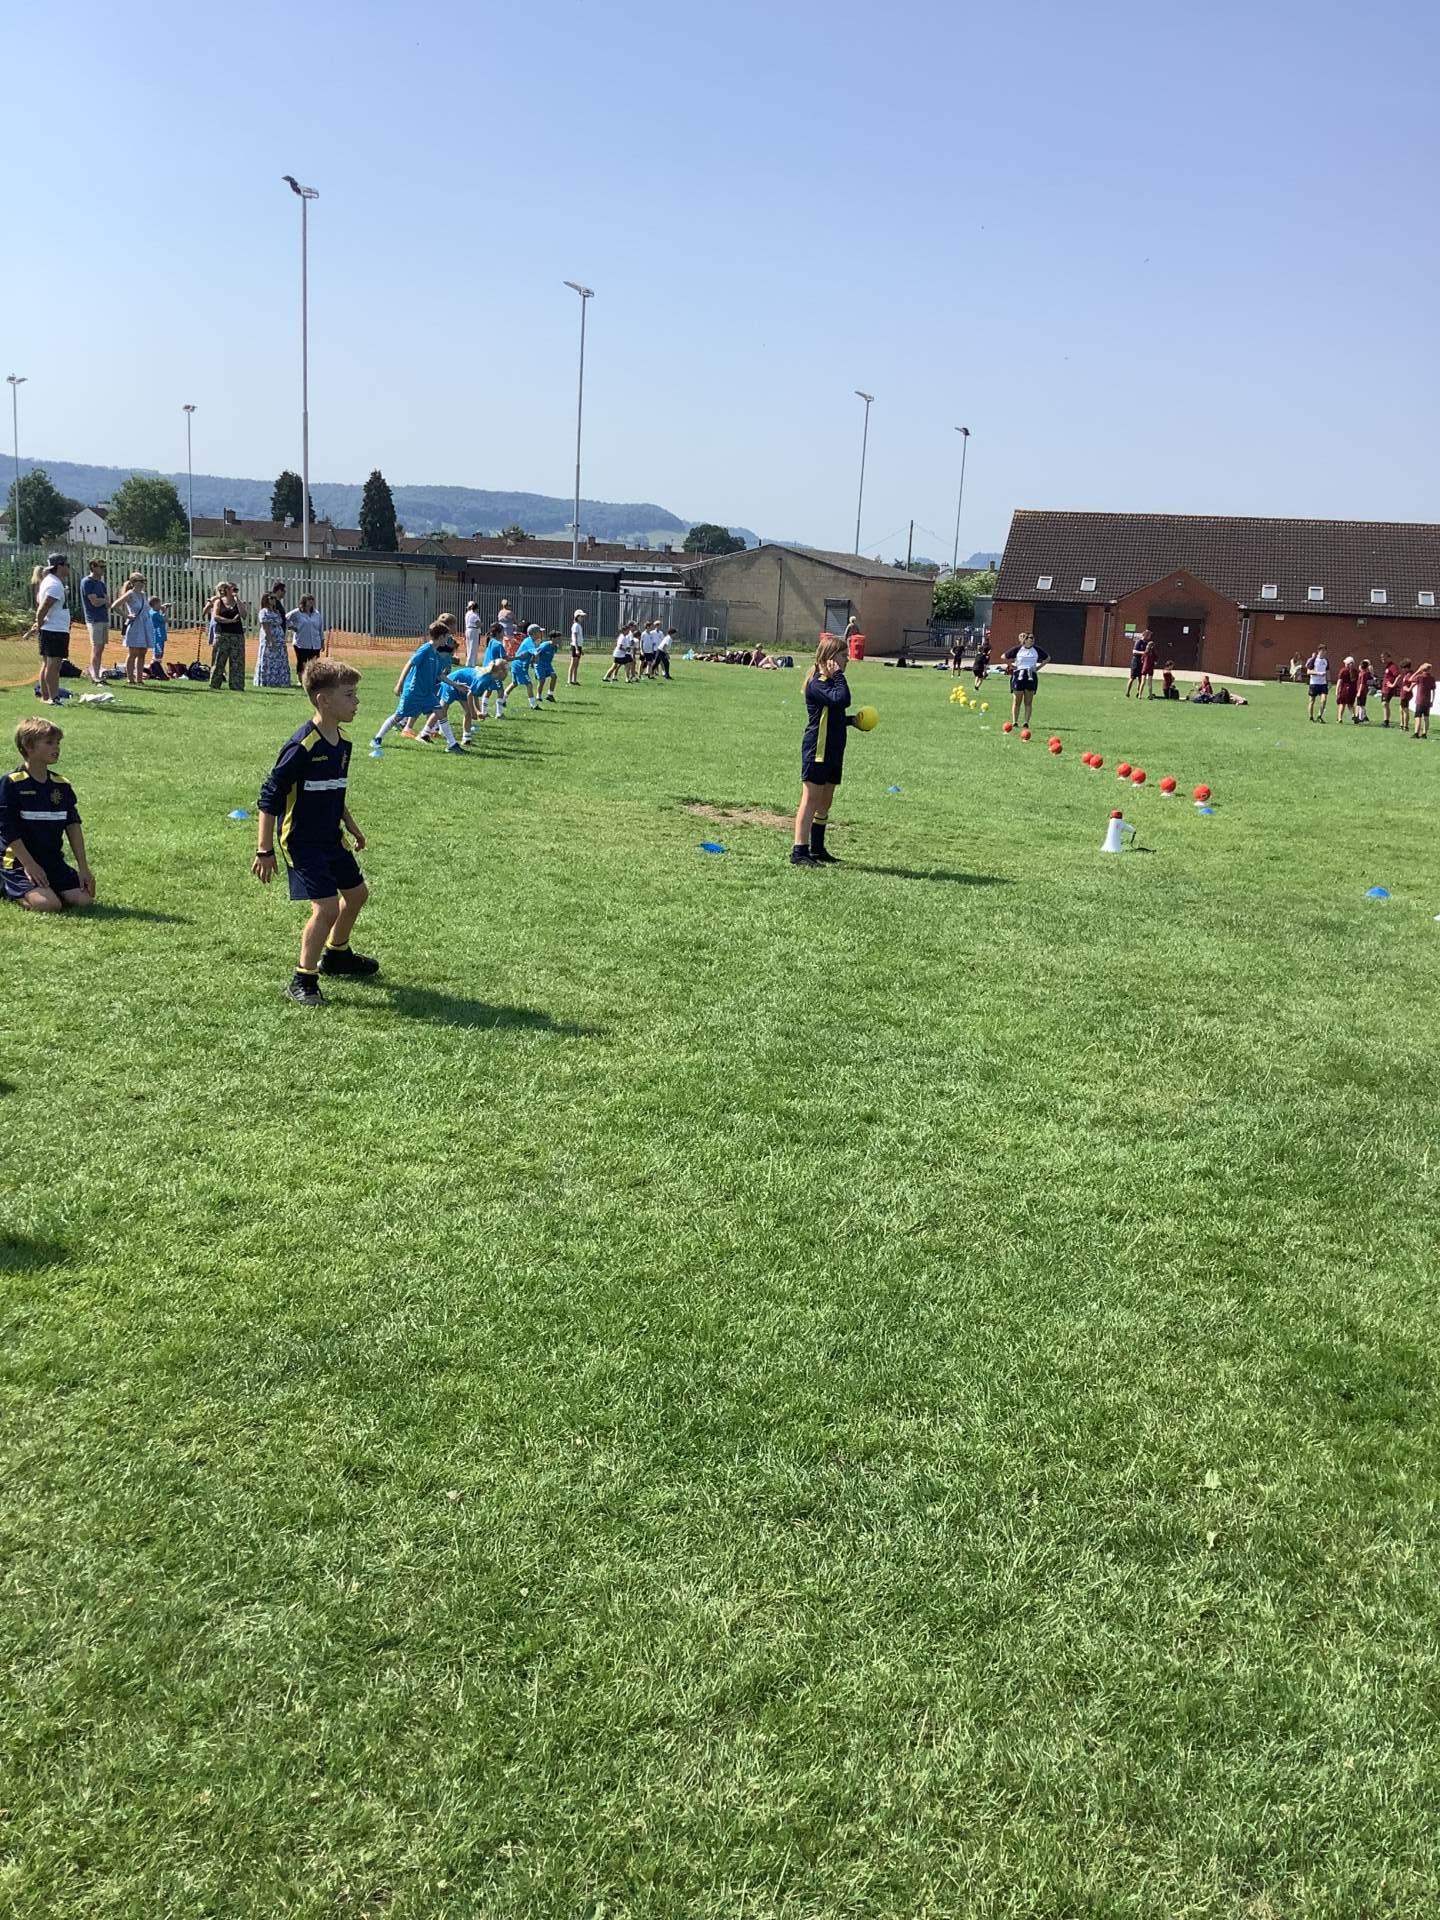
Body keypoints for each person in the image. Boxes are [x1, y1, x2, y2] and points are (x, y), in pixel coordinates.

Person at [253, 657, 376, 1007]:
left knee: (357, 895)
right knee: (326, 908)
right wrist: (264, 849)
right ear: (324, 700)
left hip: (331, 836)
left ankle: (337, 955)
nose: (357, 701)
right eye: (349, 695)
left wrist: (350, 824)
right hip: (302, 840)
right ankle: (303, 979)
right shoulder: (302, 745)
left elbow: (334, 790)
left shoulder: (343, 742)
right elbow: (270, 796)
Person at [1, 716, 95, 912]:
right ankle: (5, 884)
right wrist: (29, 864)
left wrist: (83, 868)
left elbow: (73, 826)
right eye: (49, 742)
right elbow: (7, 829)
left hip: (52, 861)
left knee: (84, 900)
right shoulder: (12, 783)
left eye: (58, 742)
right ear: (29, 747)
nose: (56, 747)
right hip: (19, 861)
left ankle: (46, 888)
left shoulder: (61, 785)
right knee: (48, 905)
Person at [792, 632, 860, 867]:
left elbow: (833, 714)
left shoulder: (830, 683)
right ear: (829, 658)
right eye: (843, 655)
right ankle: (799, 851)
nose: (847, 659)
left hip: (833, 749)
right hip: (817, 750)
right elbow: (842, 699)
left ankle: (817, 848)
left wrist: (851, 721)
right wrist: (839, 675)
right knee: (810, 799)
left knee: (825, 801)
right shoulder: (818, 683)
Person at [369, 622, 463, 752]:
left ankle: (452, 744)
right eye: (446, 637)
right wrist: (399, 684)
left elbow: (439, 675)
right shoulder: (425, 649)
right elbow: (409, 664)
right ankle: (377, 738)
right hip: (414, 692)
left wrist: (455, 685)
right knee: (398, 716)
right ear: (441, 636)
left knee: (440, 713)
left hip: (427, 693)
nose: (447, 640)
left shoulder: (435, 653)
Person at [29, 554, 73, 705]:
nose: (69, 568)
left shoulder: (50, 581)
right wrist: (39, 623)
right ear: (59, 566)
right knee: (54, 666)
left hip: (53, 629)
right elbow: (44, 607)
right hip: (54, 630)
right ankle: (53, 698)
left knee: (48, 664)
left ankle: (46, 696)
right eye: (67, 565)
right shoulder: (54, 584)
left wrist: (40, 624)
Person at [113, 572, 153, 688]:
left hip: (144, 626)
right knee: (133, 653)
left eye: (144, 581)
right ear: (133, 582)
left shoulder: (143, 594)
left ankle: (139, 679)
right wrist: (127, 616)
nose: (143, 583)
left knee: (142, 653)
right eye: (140, 581)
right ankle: (130, 679)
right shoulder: (130, 594)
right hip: (135, 626)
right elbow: (115, 606)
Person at [1003, 631, 1048, 728]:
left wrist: (1038, 667)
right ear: (1025, 639)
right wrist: (1012, 666)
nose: (1033, 640)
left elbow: (1047, 658)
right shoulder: (1018, 649)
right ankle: (1015, 721)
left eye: (1033, 638)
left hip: (1031, 676)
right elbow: (1003, 657)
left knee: (1028, 701)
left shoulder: (1037, 649)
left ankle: (1026, 722)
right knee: (1017, 701)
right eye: (1030, 638)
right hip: (1019, 676)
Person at [209, 581, 247, 691]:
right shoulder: (219, 601)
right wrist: (229, 621)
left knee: (237, 662)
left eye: (236, 590)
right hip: (222, 635)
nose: (235, 591)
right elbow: (216, 616)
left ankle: (237, 685)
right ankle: (215, 684)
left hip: (237, 636)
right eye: (233, 589)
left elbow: (244, 615)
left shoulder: (238, 603)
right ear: (226, 590)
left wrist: (237, 601)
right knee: (218, 661)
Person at [79, 558, 111, 683]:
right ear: (93, 566)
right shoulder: (87, 582)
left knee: (101, 648)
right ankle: (95, 676)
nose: (103, 569)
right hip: (94, 619)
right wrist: (103, 600)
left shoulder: (101, 584)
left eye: (104, 567)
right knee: (96, 648)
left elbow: (107, 602)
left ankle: (97, 673)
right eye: (101, 567)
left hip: (104, 618)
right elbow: (94, 602)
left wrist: (102, 600)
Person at [254, 591, 292, 688]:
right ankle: (267, 680)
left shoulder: (277, 612)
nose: (274, 600)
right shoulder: (263, 612)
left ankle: (280, 681)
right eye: (271, 598)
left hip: (280, 639)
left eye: (275, 598)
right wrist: (271, 640)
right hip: (269, 638)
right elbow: (265, 626)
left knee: (279, 659)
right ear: (266, 599)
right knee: (269, 659)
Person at [287, 594, 325, 675]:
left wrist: (322, 642)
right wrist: (292, 627)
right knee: (302, 664)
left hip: (315, 644)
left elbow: (320, 629)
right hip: (301, 643)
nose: (311, 601)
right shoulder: (297, 612)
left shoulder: (316, 614)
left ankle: (312, 680)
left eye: (312, 599)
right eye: (309, 599)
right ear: (304, 601)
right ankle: (301, 679)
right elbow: (285, 619)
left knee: (314, 666)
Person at [1410, 661, 1434, 740]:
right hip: (1427, 700)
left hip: (1420, 700)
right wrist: (1432, 701)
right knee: (1426, 717)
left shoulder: (1420, 677)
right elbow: (1433, 690)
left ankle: (1416, 733)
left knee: (1418, 716)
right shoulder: (1432, 678)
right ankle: (1424, 734)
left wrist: (1418, 670)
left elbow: (1410, 679)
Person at [534, 629, 559, 702]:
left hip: (548, 665)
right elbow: (536, 653)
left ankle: (550, 695)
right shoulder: (545, 645)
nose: (559, 640)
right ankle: (538, 696)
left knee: (554, 676)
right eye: (558, 638)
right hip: (540, 665)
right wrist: (533, 662)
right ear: (553, 638)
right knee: (542, 680)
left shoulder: (555, 647)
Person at [146, 598, 169, 676]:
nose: (160, 605)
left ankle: (154, 669)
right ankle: (156, 670)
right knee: (158, 654)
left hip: (157, 635)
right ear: (155, 605)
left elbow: (158, 614)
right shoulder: (155, 614)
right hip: (158, 636)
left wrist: (162, 608)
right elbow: (165, 619)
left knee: (158, 653)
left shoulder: (151, 612)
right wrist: (165, 611)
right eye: (159, 604)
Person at [1305, 649, 1329, 722]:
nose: (1324, 653)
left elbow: (1328, 671)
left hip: (1323, 683)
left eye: (1325, 652)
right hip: (1314, 683)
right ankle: (1311, 717)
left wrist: (1329, 681)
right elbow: (1308, 672)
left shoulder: (1326, 660)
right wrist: (1319, 673)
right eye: (1323, 651)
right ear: (1319, 651)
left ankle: (1319, 716)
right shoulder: (1314, 660)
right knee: (1312, 701)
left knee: (1324, 700)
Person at [1381, 656, 1405, 728]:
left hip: (1389, 689)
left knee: (1385, 703)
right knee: (1384, 704)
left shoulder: (1393, 666)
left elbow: (1398, 675)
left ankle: (1386, 722)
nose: (1383, 660)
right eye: (1382, 659)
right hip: (1384, 688)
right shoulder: (1387, 666)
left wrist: (1393, 685)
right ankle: (1385, 720)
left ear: (1389, 658)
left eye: (1384, 658)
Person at [1334, 655, 1358, 725]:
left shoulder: (1343, 670)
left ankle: (1339, 718)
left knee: (1342, 704)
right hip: (1353, 690)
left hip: (1344, 689)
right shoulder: (1355, 671)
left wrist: (1337, 690)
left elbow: (1339, 681)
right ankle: (1353, 715)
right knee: (1350, 704)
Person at [1125, 628, 1148, 697]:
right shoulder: (1138, 642)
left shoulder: (1146, 644)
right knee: (1132, 678)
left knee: (1140, 679)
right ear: (1144, 635)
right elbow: (1134, 651)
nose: (1149, 636)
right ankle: (1128, 692)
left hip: (1142, 663)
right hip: (1136, 662)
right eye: (1148, 635)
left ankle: (1138, 693)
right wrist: (1143, 653)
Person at [568, 608, 586, 686]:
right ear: (577, 617)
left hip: (579, 646)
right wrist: (576, 649)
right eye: (581, 616)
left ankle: (574, 680)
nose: (582, 618)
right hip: (575, 646)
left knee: (577, 664)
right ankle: (569, 680)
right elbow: (575, 637)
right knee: (573, 663)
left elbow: (579, 638)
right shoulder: (575, 625)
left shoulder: (579, 625)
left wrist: (581, 649)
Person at [463, 600, 482, 668]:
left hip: (468, 629)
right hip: (474, 630)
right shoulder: (474, 615)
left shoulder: (467, 614)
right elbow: (478, 624)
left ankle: (468, 662)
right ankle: (472, 663)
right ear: (476, 608)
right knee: (473, 647)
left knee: (469, 646)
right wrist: (481, 624)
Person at [1354, 658, 1373, 725]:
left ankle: (1360, 718)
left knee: (1360, 705)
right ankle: (1360, 716)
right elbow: (1371, 676)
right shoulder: (1366, 673)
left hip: (1362, 692)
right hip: (1364, 691)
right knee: (1361, 704)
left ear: (1361, 666)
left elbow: (1362, 684)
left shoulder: (1362, 674)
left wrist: (1359, 692)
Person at [1140, 632, 1158, 699]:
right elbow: (1155, 662)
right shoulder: (1153, 653)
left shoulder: (1145, 653)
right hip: (1150, 668)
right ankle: (1150, 695)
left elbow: (1142, 660)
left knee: (1143, 682)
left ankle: (1140, 695)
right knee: (1150, 683)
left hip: (1144, 668)